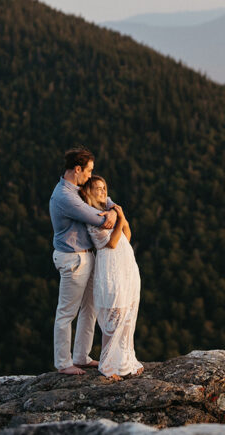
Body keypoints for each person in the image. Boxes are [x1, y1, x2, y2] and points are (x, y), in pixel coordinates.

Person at [48, 148, 119, 375]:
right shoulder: (65, 197)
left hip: (86, 256)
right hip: (73, 259)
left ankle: (81, 356)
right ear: (77, 169)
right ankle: (63, 363)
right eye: (88, 171)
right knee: (67, 313)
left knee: (90, 308)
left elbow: (103, 200)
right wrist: (114, 214)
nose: (90, 176)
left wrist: (114, 210)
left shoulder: (77, 189)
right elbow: (98, 219)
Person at [81, 174, 144, 381]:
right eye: (97, 188)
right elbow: (113, 242)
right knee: (113, 316)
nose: (102, 191)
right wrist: (119, 218)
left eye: (104, 188)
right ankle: (108, 366)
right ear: (89, 192)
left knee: (127, 314)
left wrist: (121, 218)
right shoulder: (95, 217)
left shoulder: (109, 213)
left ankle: (126, 361)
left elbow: (127, 235)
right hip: (111, 267)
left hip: (126, 266)